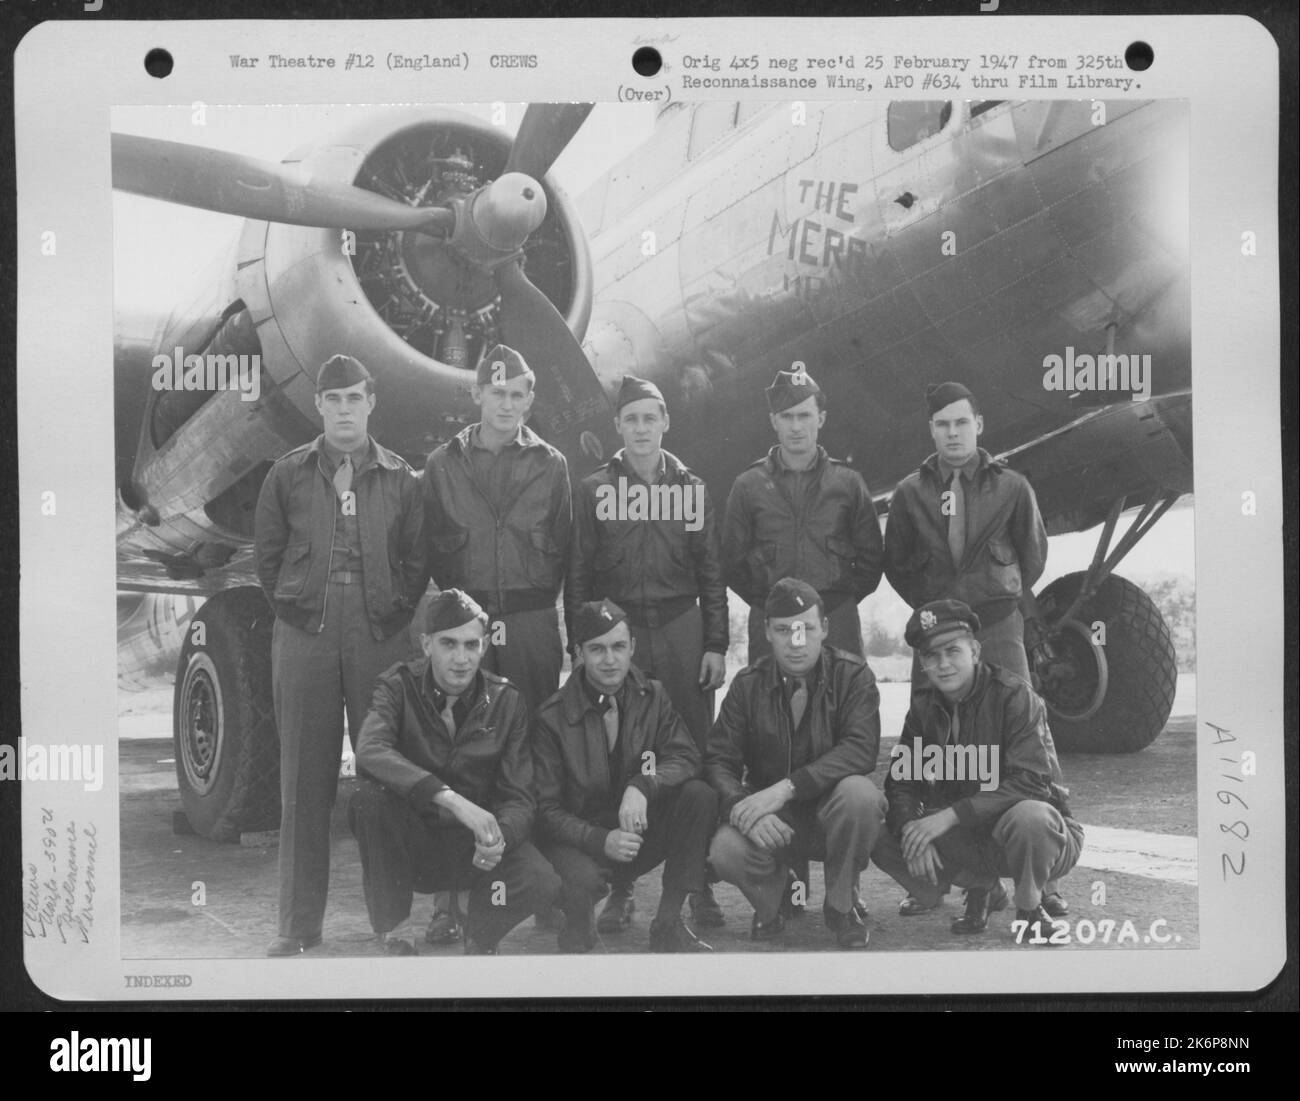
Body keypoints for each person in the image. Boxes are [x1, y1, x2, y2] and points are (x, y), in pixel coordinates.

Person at [254, 354, 426, 957]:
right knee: (304, 779)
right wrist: (302, 610)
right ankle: (298, 928)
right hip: (306, 634)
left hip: (380, 634)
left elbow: (415, 561)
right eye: (334, 399)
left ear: (371, 402)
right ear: (319, 405)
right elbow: (267, 559)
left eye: (355, 398)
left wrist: (389, 615)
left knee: (384, 776)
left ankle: (392, 924)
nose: (345, 409)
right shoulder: (287, 475)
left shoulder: (402, 478)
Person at [882, 380, 1069, 918]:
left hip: (997, 627)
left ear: (978, 425)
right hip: (940, 630)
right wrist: (938, 618)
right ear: (931, 431)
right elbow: (898, 565)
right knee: (938, 745)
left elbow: (1031, 557)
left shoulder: (1012, 485)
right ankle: (973, 881)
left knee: (1029, 743)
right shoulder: (909, 493)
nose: (953, 433)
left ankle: (1044, 878)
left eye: (961, 423)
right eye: (942, 425)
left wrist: (992, 594)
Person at [566, 375, 728, 935]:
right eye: (630, 418)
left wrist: (716, 643)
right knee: (619, 756)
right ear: (618, 427)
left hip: (681, 630)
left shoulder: (692, 488)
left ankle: (697, 883)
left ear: (665, 423)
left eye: (649, 417)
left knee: (693, 754)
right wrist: (579, 646)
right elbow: (579, 573)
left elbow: (711, 573)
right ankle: (621, 887)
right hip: (620, 635)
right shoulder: (592, 490)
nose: (640, 428)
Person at [422, 343, 573, 941]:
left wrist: (575, 634)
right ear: (478, 394)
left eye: (518, 395)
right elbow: (427, 549)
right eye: (497, 392)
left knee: (534, 754)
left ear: (529, 398)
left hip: (533, 624)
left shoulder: (553, 465)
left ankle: (538, 889)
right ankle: (448, 899)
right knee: (456, 754)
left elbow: (570, 553)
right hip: (466, 627)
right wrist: (446, 632)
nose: (507, 404)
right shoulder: (441, 464)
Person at [348, 589, 560, 955]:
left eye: (471, 645)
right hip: (416, 845)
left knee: (541, 880)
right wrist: (450, 798)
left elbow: (520, 798)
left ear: (484, 647)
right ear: (427, 644)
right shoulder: (397, 686)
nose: (462, 659)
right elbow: (369, 750)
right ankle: (396, 932)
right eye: (449, 644)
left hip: (473, 849)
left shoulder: (507, 701)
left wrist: (498, 840)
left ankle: (479, 932)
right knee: (368, 800)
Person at [871, 600, 1084, 946]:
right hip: (970, 836)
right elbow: (902, 784)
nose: (943, 664)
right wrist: (912, 828)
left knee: (1030, 816)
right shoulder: (924, 708)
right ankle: (981, 888)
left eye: (952, 651)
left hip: (1044, 834)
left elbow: (1033, 782)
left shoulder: (1014, 696)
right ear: (923, 663)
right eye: (931, 656)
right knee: (881, 835)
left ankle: (1029, 908)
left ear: (974, 651)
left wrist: (951, 815)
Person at [704, 578, 885, 949]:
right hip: (772, 824)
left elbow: (861, 749)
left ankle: (841, 906)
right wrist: (742, 806)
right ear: (767, 632)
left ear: (825, 629)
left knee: (861, 795)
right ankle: (771, 906)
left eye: (806, 629)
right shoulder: (747, 685)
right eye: (784, 630)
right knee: (725, 849)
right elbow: (719, 760)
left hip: (830, 815)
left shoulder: (853, 676)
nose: (796, 641)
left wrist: (786, 788)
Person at [533, 599, 718, 953]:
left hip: (635, 829)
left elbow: (685, 755)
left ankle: (667, 923)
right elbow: (545, 810)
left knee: (699, 795)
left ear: (632, 646)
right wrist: (599, 839)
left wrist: (644, 784)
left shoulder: (654, 694)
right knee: (580, 934)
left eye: (619, 647)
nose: (610, 659)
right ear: (578, 653)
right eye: (597, 649)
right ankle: (577, 919)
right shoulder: (550, 718)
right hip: (583, 841)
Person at [722, 365, 884, 664]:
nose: (796, 426)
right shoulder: (749, 485)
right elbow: (732, 562)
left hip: (835, 621)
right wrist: (769, 603)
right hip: (773, 623)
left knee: (847, 703)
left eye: (804, 415)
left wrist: (836, 602)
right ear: (774, 421)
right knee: (769, 705)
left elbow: (872, 558)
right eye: (787, 416)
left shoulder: (848, 483)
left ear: (820, 418)